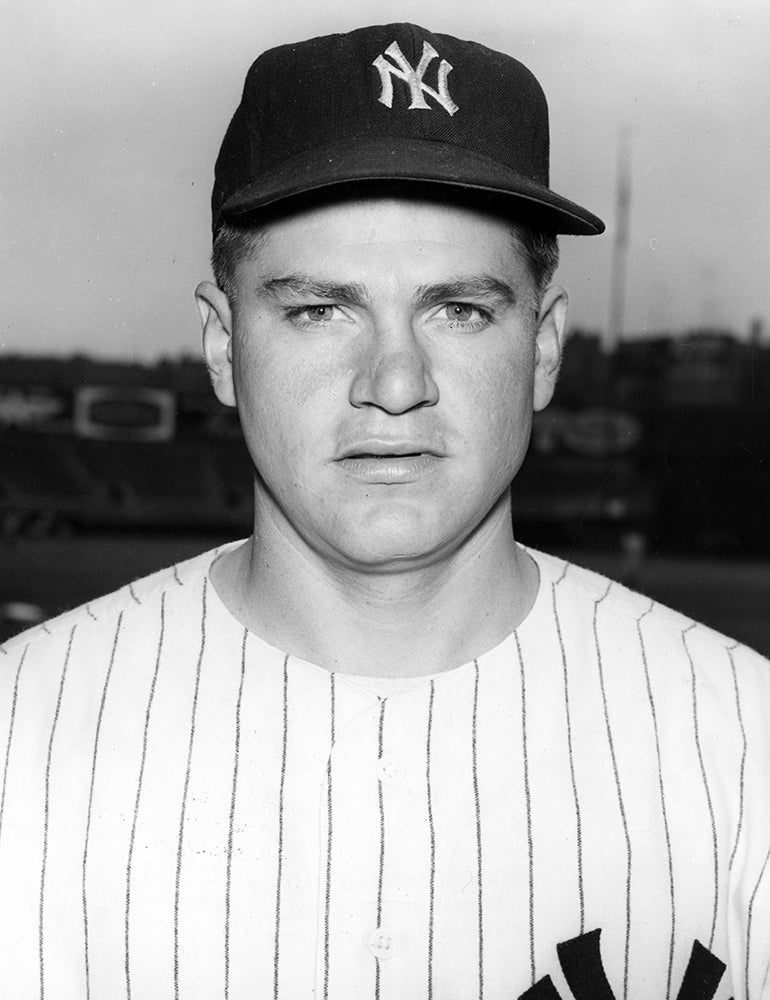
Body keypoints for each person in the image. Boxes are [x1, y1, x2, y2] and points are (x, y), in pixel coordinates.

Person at [1, 22, 768, 1000]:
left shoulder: (744, 744)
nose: (394, 383)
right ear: (223, 346)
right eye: (320, 310)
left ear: (543, 348)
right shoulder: (18, 733)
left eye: (460, 309)